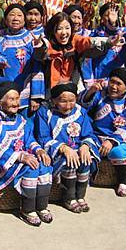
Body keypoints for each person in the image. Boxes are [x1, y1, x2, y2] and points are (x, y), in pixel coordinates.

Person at [0, 81, 53, 226]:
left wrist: (39, 150)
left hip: (22, 157)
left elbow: (29, 139)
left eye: (17, 99)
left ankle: (42, 206)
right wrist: (19, 156)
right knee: (31, 168)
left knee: (44, 165)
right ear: (0, 102)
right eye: (11, 99)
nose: (16, 103)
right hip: (3, 163)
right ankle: (27, 209)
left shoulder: (20, 119)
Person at [35, 82, 100, 213]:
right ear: (54, 100)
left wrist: (86, 146)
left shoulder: (80, 111)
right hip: (57, 152)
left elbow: (88, 133)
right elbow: (43, 138)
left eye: (72, 100)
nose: (68, 105)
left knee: (86, 159)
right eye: (63, 101)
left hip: (78, 148)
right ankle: (68, 198)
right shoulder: (44, 113)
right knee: (70, 161)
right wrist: (63, 148)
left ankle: (80, 195)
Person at [80, 68, 126, 197]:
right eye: (112, 82)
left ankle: (125, 181)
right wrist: (91, 91)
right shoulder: (101, 94)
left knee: (117, 152)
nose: (113, 87)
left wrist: (112, 140)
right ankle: (86, 179)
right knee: (85, 150)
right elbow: (83, 108)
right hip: (97, 136)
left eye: (119, 84)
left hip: (122, 139)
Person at [33, 12, 124, 94]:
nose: (64, 32)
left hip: (73, 88)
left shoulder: (75, 41)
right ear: (52, 31)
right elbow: (40, 53)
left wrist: (110, 42)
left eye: (67, 28)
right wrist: (39, 47)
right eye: (59, 28)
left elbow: (90, 42)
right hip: (51, 91)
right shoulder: (47, 43)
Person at [0, 4, 45, 110]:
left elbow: (37, 67)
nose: (15, 18)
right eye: (12, 15)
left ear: (24, 20)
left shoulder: (30, 38)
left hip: (24, 94)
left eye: (19, 15)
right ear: (5, 19)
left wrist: (35, 96)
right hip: (2, 92)